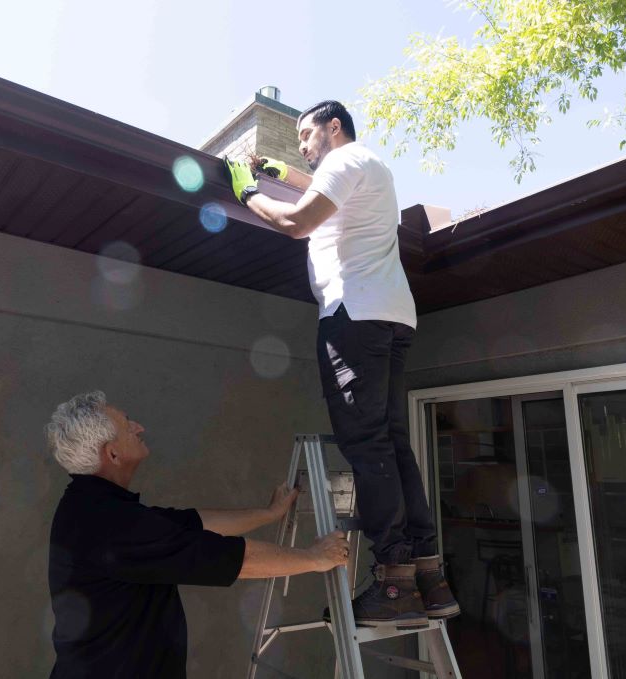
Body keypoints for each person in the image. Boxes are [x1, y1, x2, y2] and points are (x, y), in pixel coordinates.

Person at [223, 100, 460, 627]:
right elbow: (318, 188)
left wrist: (249, 190)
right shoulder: (369, 166)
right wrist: (281, 170)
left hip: (354, 316)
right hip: (393, 316)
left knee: (367, 443)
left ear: (335, 128)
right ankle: (428, 575)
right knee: (393, 442)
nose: (303, 146)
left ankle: (393, 582)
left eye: (307, 135)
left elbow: (295, 222)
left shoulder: (343, 162)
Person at [45, 390, 349, 679]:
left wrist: (268, 513)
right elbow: (232, 559)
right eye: (127, 426)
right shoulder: (111, 523)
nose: (139, 427)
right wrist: (314, 557)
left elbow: (193, 523)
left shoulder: (90, 507)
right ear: (112, 454)